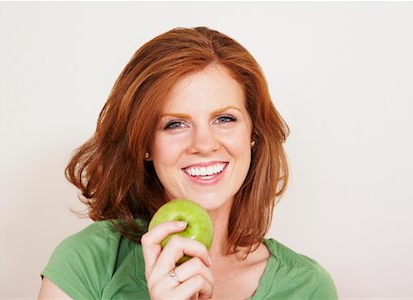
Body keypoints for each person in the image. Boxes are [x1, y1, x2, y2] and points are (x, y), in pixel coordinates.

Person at [38, 26, 338, 299]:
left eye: (224, 119)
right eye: (175, 124)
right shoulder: (88, 261)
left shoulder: (307, 288)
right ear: (144, 144)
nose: (204, 145)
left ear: (253, 134)